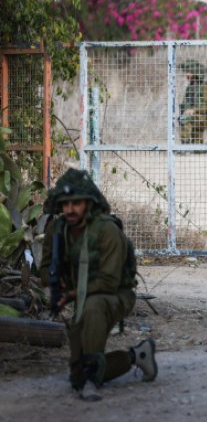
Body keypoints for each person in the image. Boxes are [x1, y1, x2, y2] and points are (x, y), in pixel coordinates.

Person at [39, 169, 157, 402]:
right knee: (76, 375)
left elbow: (109, 282)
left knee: (93, 306)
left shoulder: (107, 231)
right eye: (65, 204)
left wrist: (72, 293)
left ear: (89, 203)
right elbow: (43, 269)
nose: (70, 210)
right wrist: (55, 281)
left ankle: (91, 379)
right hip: (81, 296)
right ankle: (138, 355)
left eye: (76, 203)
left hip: (115, 296)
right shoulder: (57, 229)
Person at [178, 59, 207, 144]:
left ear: (196, 73)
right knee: (197, 147)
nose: (187, 75)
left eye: (189, 72)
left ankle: (184, 147)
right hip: (196, 117)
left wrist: (194, 110)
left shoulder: (206, 87)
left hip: (205, 117)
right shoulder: (190, 88)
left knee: (185, 119)